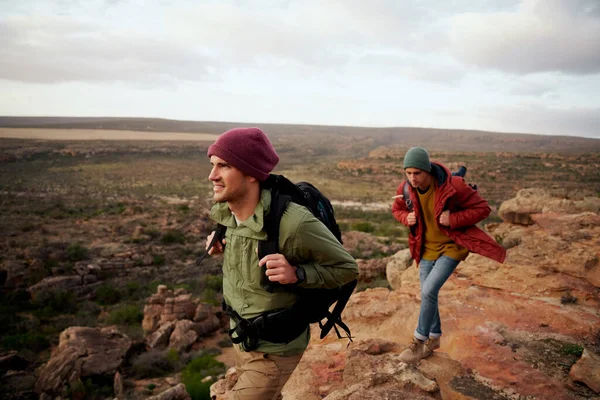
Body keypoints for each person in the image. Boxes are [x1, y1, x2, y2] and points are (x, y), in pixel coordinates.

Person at [205, 127, 358, 399]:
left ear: (251, 173)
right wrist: (222, 243)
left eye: (224, 166)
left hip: (275, 349)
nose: (212, 176)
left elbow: (347, 269)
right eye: (213, 165)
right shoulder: (228, 213)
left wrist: (297, 273)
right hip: (242, 337)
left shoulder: (294, 223)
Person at [392, 147, 505, 364]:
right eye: (408, 173)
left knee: (428, 290)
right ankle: (434, 338)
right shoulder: (405, 189)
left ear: (427, 170)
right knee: (428, 294)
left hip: (452, 246)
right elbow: (396, 209)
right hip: (426, 248)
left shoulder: (453, 186)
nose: (412, 178)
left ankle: (418, 341)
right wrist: (406, 218)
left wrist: (453, 219)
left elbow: (482, 208)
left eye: (417, 173)